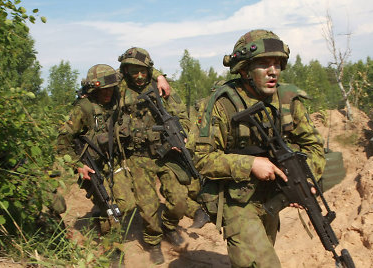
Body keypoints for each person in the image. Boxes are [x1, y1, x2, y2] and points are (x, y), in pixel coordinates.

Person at [188, 29, 326, 267]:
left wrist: (304, 177)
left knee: (259, 256)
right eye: (264, 64)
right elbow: (201, 158)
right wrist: (250, 164)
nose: (273, 71)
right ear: (244, 69)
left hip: (272, 195)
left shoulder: (287, 99)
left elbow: (314, 145)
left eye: (277, 64)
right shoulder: (222, 105)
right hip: (236, 199)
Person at [116, 47, 207, 264]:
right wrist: (159, 73)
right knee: (148, 208)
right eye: (133, 71)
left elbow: (182, 116)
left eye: (143, 71)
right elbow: (111, 76)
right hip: (137, 157)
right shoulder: (120, 89)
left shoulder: (160, 88)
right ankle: (153, 241)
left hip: (165, 154)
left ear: (149, 69)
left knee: (179, 201)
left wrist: (182, 137)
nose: (139, 76)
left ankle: (168, 226)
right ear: (126, 70)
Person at [56, 64, 137, 234]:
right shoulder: (83, 108)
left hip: (111, 161)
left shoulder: (116, 99)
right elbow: (62, 142)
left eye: (111, 89)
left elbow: (131, 72)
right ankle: (112, 248)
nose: (108, 93)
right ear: (93, 89)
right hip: (89, 167)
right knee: (109, 208)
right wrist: (77, 166)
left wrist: (159, 77)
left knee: (127, 204)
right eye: (103, 90)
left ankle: (100, 216)